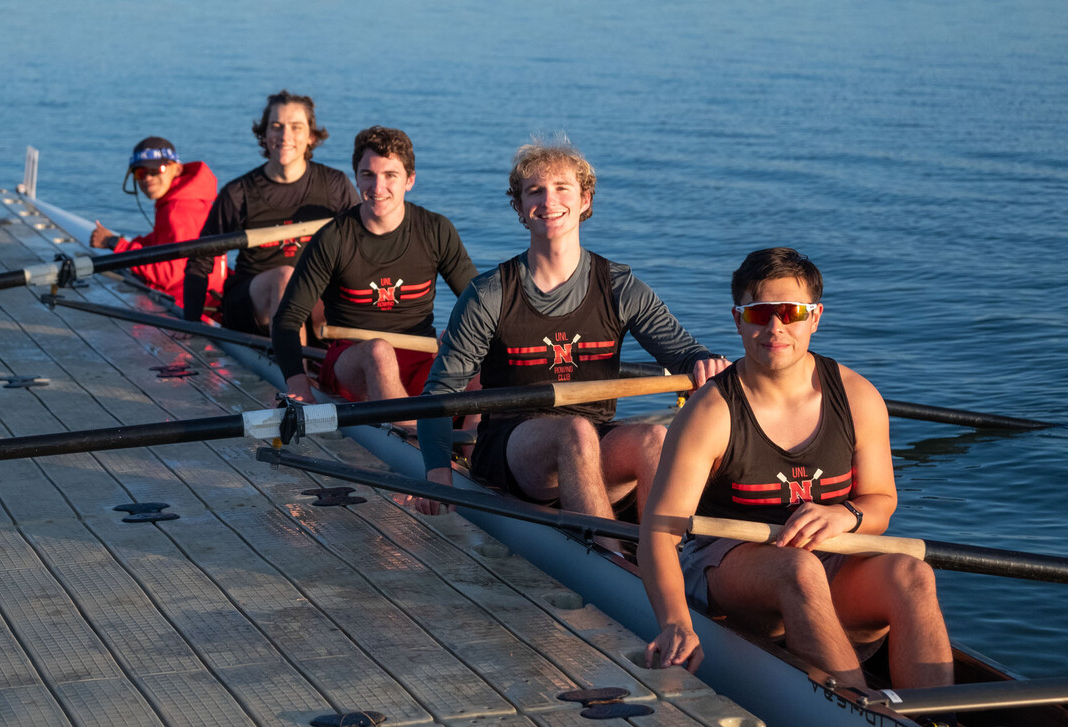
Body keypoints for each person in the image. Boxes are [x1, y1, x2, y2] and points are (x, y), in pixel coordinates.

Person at [639, 248, 953, 699]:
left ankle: (936, 715)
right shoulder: (710, 413)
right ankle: (861, 713)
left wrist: (847, 516)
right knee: (799, 570)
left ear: (815, 317)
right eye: (760, 313)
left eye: (791, 312)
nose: (775, 327)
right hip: (727, 564)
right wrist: (676, 624)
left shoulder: (858, 397)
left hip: (831, 558)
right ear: (738, 319)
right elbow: (659, 532)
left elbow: (881, 503)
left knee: (913, 573)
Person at [415, 137, 730, 529]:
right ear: (520, 208)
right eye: (535, 191)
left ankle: (668, 559)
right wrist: (437, 472)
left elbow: (683, 352)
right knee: (575, 433)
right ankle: (613, 561)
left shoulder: (618, 286)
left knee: (652, 438)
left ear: (585, 200)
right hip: (513, 447)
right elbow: (441, 393)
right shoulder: (489, 294)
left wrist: (705, 363)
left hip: (596, 436)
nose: (549, 201)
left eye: (562, 188)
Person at [272, 126, 477, 404]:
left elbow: (478, 305)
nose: (377, 188)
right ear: (356, 178)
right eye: (368, 175)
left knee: (482, 360)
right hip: (351, 359)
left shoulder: (436, 230)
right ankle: (410, 435)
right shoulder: (333, 238)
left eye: (390, 175)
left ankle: (472, 443)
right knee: (379, 352)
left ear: (410, 180)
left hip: (421, 356)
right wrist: (298, 384)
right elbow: (287, 319)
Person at [183, 90, 360, 334]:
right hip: (251, 304)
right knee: (286, 279)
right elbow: (200, 259)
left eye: (296, 127)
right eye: (276, 126)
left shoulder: (335, 185)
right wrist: (190, 326)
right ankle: (294, 370)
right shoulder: (238, 193)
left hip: (312, 298)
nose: (285, 135)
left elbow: (364, 248)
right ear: (264, 135)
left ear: (311, 136)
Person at [90, 137, 226, 308]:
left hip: (189, 306)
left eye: (156, 170)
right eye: (140, 173)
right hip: (204, 298)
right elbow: (165, 241)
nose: (147, 178)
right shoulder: (187, 199)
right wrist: (130, 244)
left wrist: (115, 244)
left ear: (176, 169)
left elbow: (169, 274)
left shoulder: (179, 208)